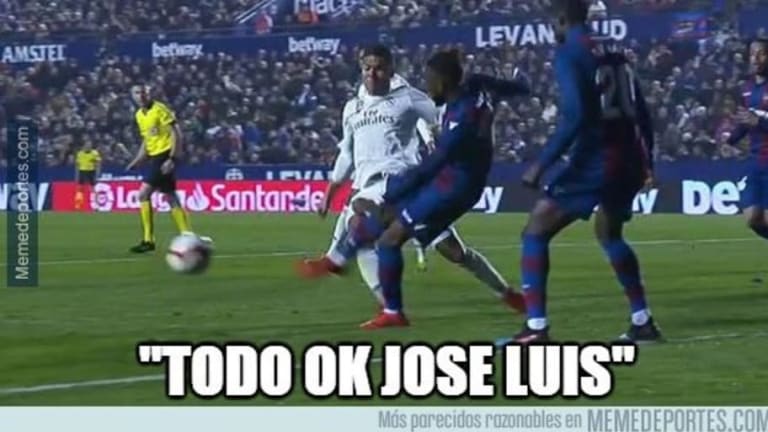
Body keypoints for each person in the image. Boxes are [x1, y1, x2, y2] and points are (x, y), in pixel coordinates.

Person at [297, 48, 530, 329]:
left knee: (439, 247)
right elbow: (347, 153)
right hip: (409, 183)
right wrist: (520, 85)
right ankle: (376, 294)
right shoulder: (353, 108)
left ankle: (347, 267)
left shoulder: (420, 103)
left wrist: (398, 187)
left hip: (434, 183)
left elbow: (433, 144)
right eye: (367, 67)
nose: (372, 73)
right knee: (377, 224)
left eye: (379, 67)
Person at [498, 0, 661, 344]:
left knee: (536, 230)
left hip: (598, 160)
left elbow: (574, 116)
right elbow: (642, 112)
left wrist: (541, 164)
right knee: (610, 234)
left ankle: (536, 328)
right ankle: (642, 321)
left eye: (552, 24)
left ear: (561, 19)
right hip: (629, 158)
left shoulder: (570, 53)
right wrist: (648, 161)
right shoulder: (614, 51)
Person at [125, 84, 192, 253]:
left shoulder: (159, 109)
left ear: (149, 94)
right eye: (137, 93)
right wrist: (138, 159)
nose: (141, 96)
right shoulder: (139, 115)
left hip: (164, 155)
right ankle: (187, 235)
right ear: (132, 96)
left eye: (143, 92)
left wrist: (172, 158)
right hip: (155, 156)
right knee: (170, 196)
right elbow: (147, 140)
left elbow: (176, 132)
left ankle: (148, 240)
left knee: (143, 194)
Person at [726, 39, 768, 252]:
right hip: (755, 162)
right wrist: (730, 140)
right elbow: (745, 121)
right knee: (752, 218)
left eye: (761, 53)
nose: (755, 58)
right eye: (752, 54)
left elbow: (754, 120)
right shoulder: (747, 89)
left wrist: (760, 121)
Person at [74, 137, 100, 210]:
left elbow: (98, 164)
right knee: (80, 189)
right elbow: (77, 165)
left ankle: (96, 205)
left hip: (91, 172)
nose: (89, 146)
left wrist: (97, 173)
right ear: (84, 145)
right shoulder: (80, 154)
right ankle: (78, 205)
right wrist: (76, 175)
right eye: (87, 145)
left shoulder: (94, 153)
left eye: (90, 145)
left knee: (93, 189)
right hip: (82, 171)